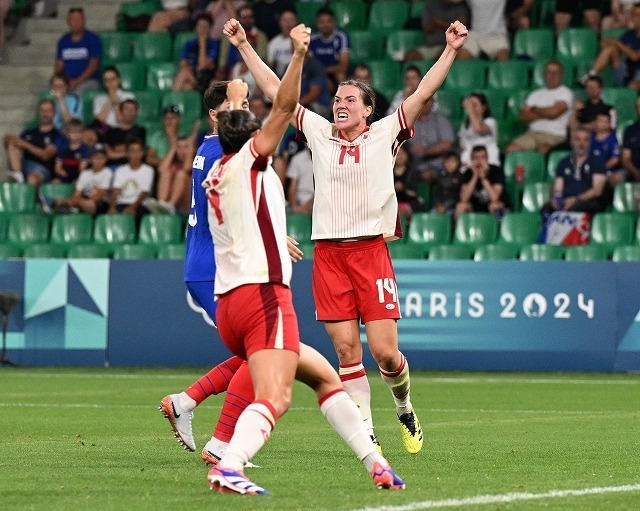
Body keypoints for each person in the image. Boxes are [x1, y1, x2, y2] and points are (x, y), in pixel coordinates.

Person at [225, 16, 469, 456]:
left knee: (387, 354)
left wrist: (450, 49)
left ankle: (405, 405)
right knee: (345, 350)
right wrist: (244, 44)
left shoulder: (385, 133)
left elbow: (423, 92)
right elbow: (274, 91)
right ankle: (368, 437)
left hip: (370, 253)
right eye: (337, 98)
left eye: (350, 100)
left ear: (367, 109)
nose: (340, 103)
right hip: (330, 256)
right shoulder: (318, 132)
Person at [204, 23, 405, 495]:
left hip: (230, 299)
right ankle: (228, 461)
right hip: (261, 297)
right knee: (276, 394)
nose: (260, 120)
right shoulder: (253, 158)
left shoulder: (217, 171)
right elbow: (283, 104)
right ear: (252, 137)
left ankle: (374, 460)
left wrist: (277, 237)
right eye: (250, 117)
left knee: (326, 375)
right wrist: (296, 54)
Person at [505, 60, 573, 155]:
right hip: (532, 133)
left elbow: (554, 113)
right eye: (549, 72)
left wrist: (534, 109)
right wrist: (548, 113)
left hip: (555, 135)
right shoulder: (535, 94)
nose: (552, 75)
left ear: (561, 75)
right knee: (510, 150)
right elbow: (523, 117)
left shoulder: (565, 92)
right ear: (545, 74)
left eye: (556, 72)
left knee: (542, 151)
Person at [541, 127, 608, 216]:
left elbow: (597, 191)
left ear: (589, 143)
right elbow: (558, 188)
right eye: (578, 139)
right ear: (571, 142)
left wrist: (576, 199)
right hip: (567, 200)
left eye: (585, 140)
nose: (581, 144)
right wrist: (556, 199)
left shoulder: (596, 161)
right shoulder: (564, 162)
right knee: (547, 208)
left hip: (587, 202)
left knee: (576, 208)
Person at [3, 99, 61, 186]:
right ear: (39, 112)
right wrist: (9, 142)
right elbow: (17, 147)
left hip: (43, 168)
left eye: (48, 110)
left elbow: (46, 155)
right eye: (42, 110)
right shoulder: (28, 132)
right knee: (12, 143)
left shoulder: (57, 135)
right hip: (24, 165)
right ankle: (18, 177)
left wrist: (25, 145)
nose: (45, 113)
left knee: (32, 179)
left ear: (54, 112)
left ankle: (31, 196)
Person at [583, 4, 640, 90]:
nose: (638, 18)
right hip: (627, 72)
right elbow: (605, 45)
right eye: (635, 15)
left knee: (633, 86)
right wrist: (609, 44)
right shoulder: (629, 34)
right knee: (610, 49)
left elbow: (635, 56)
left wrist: (616, 43)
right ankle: (590, 76)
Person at [53, 143, 113, 215]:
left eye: (102, 158)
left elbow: (100, 195)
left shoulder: (108, 172)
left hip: (100, 204)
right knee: (64, 201)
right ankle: (70, 207)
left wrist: (76, 202)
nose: (99, 160)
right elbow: (77, 193)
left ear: (106, 159)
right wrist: (77, 201)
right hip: (84, 200)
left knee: (89, 204)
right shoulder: (85, 173)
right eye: (96, 157)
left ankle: (67, 206)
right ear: (91, 159)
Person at [54, 7, 102, 95]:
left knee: (78, 92)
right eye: (73, 19)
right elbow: (59, 64)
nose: (76, 22)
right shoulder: (63, 40)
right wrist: (59, 82)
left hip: (88, 81)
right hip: (67, 81)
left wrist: (76, 82)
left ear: (84, 21)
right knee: (46, 91)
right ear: (68, 22)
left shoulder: (93, 39)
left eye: (79, 19)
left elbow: (93, 65)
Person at [455, 144, 511, 218]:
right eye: (476, 158)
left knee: (494, 205)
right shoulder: (467, 173)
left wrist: (483, 177)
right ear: (471, 159)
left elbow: (494, 198)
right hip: (475, 208)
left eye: (482, 157)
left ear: (487, 159)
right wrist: (475, 176)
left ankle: (499, 229)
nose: (479, 161)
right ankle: (459, 229)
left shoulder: (496, 170)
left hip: (495, 206)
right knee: (461, 206)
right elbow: (463, 198)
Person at [404, 0, 470, 61]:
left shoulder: (461, 6)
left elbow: (461, 27)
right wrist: (449, 26)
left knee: (443, 56)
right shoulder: (431, 3)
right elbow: (427, 28)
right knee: (410, 56)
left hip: (447, 47)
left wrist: (439, 23)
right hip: (429, 46)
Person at [407, 97, 454, 182]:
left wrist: (425, 150)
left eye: (427, 101)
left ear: (433, 103)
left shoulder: (441, 120)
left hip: (437, 162)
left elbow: (447, 145)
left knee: (429, 175)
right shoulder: (409, 120)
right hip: (413, 162)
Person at [107, 138, 154, 220]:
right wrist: (112, 207)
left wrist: (132, 207)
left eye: (138, 151)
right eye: (132, 151)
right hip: (122, 203)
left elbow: (145, 192)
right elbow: (115, 191)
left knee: (132, 214)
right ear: (127, 153)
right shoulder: (120, 170)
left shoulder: (148, 170)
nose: (136, 154)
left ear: (142, 153)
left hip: (140, 205)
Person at [172, 11, 219, 92]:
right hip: (192, 78)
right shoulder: (189, 44)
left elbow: (203, 66)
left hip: (207, 79)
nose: (202, 29)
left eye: (205, 26)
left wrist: (202, 43)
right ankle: (173, 102)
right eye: (200, 26)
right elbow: (182, 64)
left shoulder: (214, 45)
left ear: (210, 28)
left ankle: (170, 101)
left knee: (184, 75)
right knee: (187, 86)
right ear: (196, 28)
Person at [217, 4, 268, 79]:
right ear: (238, 18)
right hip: (229, 76)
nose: (248, 20)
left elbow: (262, 61)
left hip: (254, 75)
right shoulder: (228, 36)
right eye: (244, 16)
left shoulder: (261, 36)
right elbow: (222, 64)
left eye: (251, 17)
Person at [310, 7, 350, 87]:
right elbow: (309, 63)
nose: (325, 25)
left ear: (334, 22)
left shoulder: (341, 36)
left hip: (334, 71)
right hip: (319, 73)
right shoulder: (312, 39)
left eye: (329, 21)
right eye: (322, 22)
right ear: (317, 23)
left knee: (340, 76)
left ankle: (343, 98)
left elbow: (343, 66)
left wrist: (324, 70)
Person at [154, 136, 194, 215]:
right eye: (179, 147)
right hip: (171, 204)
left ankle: (171, 205)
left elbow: (187, 168)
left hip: (188, 205)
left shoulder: (195, 160)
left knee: (181, 174)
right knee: (166, 172)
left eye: (185, 147)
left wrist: (191, 149)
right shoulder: (173, 163)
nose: (182, 150)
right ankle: (162, 204)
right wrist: (173, 148)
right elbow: (161, 169)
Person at [458, 92, 500, 168]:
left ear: (483, 108)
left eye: (475, 105)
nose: (471, 107)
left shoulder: (490, 122)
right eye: (470, 105)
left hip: (489, 165)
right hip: (469, 166)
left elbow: (478, 129)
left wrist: (470, 109)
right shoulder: (464, 126)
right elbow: (461, 147)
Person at [103, 99, 147, 169]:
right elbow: (109, 154)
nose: (130, 112)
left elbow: (137, 152)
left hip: (133, 167)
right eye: (127, 109)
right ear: (120, 111)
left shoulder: (140, 131)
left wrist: (116, 149)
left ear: (136, 113)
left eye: (133, 109)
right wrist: (128, 150)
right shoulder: (110, 132)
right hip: (113, 167)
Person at [590, 111, 622, 187]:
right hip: (590, 169)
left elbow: (615, 159)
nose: (603, 124)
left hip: (607, 171)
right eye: (600, 121)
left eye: (606, 122)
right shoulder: (589, 137)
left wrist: (601, 169)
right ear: (595, 123)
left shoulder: (612, 139)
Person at [53, 118, 89, 184]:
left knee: (78, 183)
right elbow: (57, 167)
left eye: (79, 132)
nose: (76, 135)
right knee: (55, 182)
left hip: (77, 177)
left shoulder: (84, 149)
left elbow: (82, 168)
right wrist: (62, 172)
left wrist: (77, 178)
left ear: (82, 133)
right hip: (64, 175)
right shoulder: (63, 148)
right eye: (73, 132)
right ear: (68, 133)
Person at [393, 145, 424, 220]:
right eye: (397, 153)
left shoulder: (413, 172)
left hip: (410, 202)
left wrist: (403, 188)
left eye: (403, 153)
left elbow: (414, 191)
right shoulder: (387, 171)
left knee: (399, 213)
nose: (400, 156)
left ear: (407, 155)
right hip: (392, 203)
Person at [266, 9, 297, 78]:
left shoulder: (303, 40)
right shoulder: (273, 43)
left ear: (296, 22)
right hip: (279, 78)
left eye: (291, 20)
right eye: (285, 20)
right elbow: (269, 65)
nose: (288, 24)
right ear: (280, 22)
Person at [432, 150, 463, 215]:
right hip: (440, 206)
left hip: (453, 207)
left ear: (458, 163)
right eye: (447, 161)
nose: (449, 164)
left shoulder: (461, 177)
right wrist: (438, 204)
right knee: (432, 214)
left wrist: (446, 206)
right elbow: (437, 194)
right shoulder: (441, 177)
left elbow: (458, 197)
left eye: (452, 161)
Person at [286, 146, 314, 214]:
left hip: (317, 202)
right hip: (298, 201)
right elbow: (292, 188)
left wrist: (305, 207)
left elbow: (323, 190)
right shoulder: (297, 159)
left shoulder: (326, 160)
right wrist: (294, 207)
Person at [621, 96, 640, 181]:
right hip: (632, 170)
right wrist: (635, 172)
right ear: (636, 110)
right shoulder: (630, 130)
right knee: (615, 178)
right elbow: (625, 158)